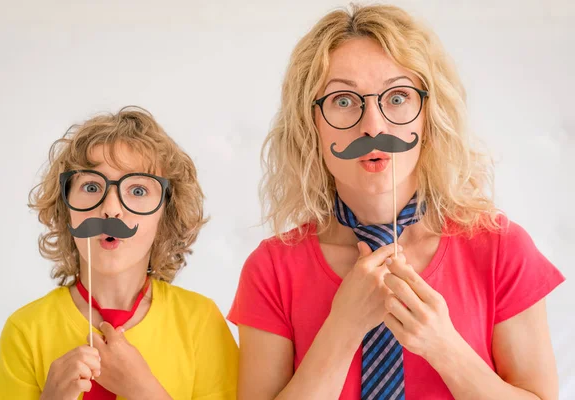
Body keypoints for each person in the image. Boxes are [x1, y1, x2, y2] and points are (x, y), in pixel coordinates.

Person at [227, 4, 565, 400]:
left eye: (398, 96)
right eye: (343, 100)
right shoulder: (271, 270)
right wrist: (343, 328)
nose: (373, 125)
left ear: (429, 113)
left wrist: (445, 348)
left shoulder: (500, 250)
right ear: (309, 123)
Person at [0, 106, 238, 399]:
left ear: (166, 214)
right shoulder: (25, 331)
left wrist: (144, 391)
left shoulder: (200, 324)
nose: (111, 208)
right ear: (65, 209)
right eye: (91, 186)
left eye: (138, 191)